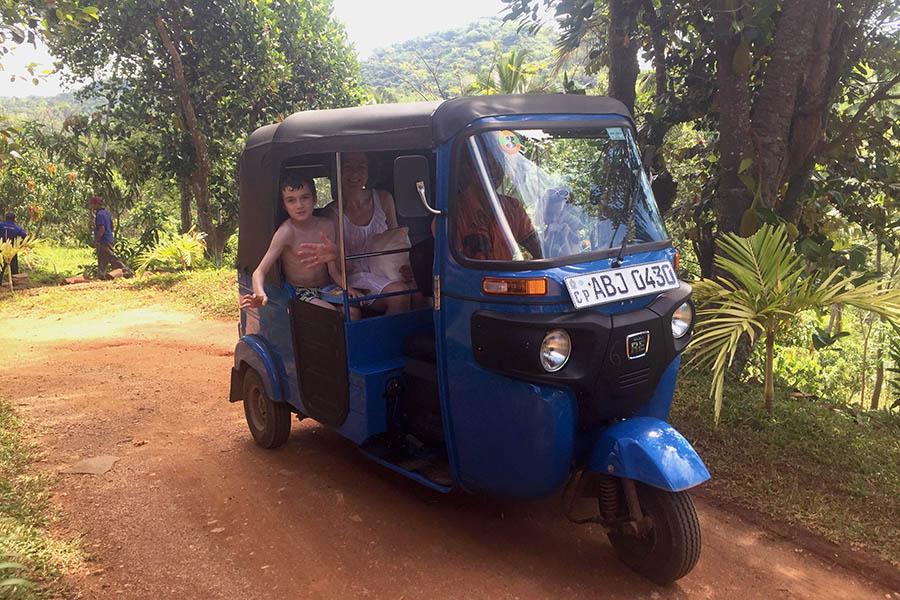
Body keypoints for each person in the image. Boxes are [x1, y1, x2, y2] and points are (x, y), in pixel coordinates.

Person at [239, 173, 360, 319]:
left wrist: (347, 288)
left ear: (314, 199)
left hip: (327, 287)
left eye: (305, 198)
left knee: (353, 311)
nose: (299, 205)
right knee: (330, 314)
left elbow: (333, 271)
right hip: (301, 291)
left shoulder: (327, 225)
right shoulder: (286, 232)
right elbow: (259, 272)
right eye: (291, 200)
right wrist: (259, 293)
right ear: (284, 205)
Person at [317, 152, 412, 315]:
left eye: (361, 166)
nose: (355, 173)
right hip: (355, 275)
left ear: (370, 170)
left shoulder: (384, 198)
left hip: (387, 268)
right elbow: (341, 265)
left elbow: (397, 242)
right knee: (399, 294)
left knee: (421, 292)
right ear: (337, 171)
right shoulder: (332, 213)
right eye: (348, 167)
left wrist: (407, 268)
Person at [454, 153, 542, 261]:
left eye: (498, 163)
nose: (494, 170)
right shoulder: (454, 213)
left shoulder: (513, 207)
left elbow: (539, 250)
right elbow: (452, 265)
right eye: (486, 164)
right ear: (470, 168)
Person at [88, 196, 132, 279]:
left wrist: (96, 240)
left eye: (92, 204)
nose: (91, 206)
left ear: (96, 204)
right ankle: (101, 275)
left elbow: (102, 229)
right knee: (102, 258)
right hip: (108, 238)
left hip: (104, 240)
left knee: (112, 257)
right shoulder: (106, 213)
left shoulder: (100, 215)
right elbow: (112, 226)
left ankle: (127, 271)